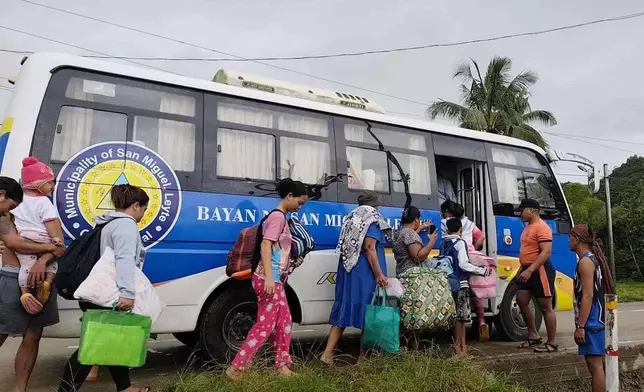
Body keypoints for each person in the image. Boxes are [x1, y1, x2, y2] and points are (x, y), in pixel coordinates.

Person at [58, 184, 152, 392]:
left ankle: (125, 387)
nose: (143, 215)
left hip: (97, 290)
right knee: (92, 347)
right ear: (136, 205)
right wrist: (127, 294)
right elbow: (124, 260)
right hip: (109, 294)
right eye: (144, 209)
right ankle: (66, 390)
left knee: (112, 340)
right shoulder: (126, 226)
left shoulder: (107, 224)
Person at [226, 179, 308, 380]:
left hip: (273, 279)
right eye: (299, 202)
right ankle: (237, 368)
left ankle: (282, 365)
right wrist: (270, 279)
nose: (299, 208)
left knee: (284, 322)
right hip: (267, 279)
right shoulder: (278, 218)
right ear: (289, 196)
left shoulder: (279, 217)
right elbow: (265, 246)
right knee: (265, 325)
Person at [0, 176, 65, 392]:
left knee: (33, 334)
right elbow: (13, 242)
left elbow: (60, 246)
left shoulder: (46, 209)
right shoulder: (5, 214)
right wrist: (48, 248)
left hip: (41, 275)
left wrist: (43, 260)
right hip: (12, 276)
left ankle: (20, 389)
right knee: (2, 331)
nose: (13, 209)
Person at [320, 191, 390, 365]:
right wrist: (379, 273)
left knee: (343, 311)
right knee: (369, 313)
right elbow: (370, 248)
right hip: (365, 273)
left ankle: (327, 354)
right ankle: (363, 359)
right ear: (375, 205)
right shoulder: (371, 220)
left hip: (348, 270)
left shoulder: (352, 219)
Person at [12, 157, 64, 309]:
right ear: (38, 184)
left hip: (24, 238)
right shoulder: (44, 202)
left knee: (26, 266)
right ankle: (47, 281)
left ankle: (25, 292)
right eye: (49, 182)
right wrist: (55, 239)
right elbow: (50, 220)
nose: (52, 187)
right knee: (53, 264)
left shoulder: (17, 201)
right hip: (43, 238)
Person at [570, 224, 614, 392]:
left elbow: (588, 295)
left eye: (570, 237)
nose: (569, 241)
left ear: (578, 239)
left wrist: (581, 326)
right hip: (598, 318)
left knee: (595, 367)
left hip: (592, 321)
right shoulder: (592, 259)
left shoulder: (585, 262)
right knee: (602, 365)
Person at [440, 200, 489, 341]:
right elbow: (481, 236)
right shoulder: (469, 223)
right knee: (476, 291)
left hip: (453, 267)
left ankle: (456, 343)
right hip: (470, 258)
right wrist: (475, 247)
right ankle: (481, 320)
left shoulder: (445, 226)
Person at [515, 199, 558, 353]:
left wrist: (530, 270)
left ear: (533, 210)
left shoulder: (542, 228)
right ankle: (533, 335)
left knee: (545, 307)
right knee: (521, 299)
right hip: (526, 269)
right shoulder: (528, 228)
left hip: (540, 270)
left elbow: (545, 252)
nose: (521, 213)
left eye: (523, 210)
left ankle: (552, 342)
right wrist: (522, 269)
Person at [392, 206, 438, 276]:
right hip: (413, 277)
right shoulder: (410, 232)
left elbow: (407, 240)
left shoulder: (398, 233)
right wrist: (432, 241)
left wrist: (418, 229)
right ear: (416, 219)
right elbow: (417, 257)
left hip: (402, 273)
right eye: (419, 218)